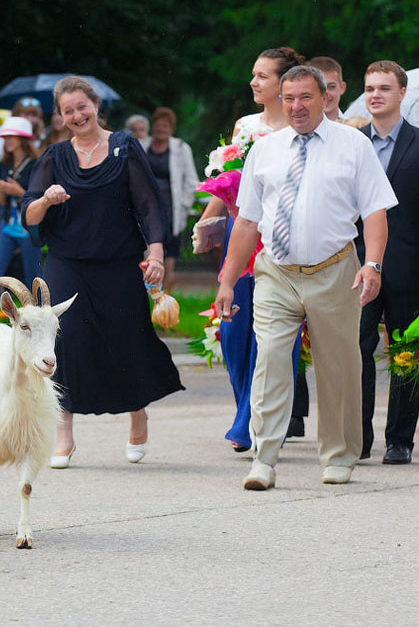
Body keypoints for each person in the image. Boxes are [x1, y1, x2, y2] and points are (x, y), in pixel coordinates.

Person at [216, 65, 396, 490]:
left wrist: (373, 264)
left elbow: (375, 211)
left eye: (305, 98)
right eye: (289, 98)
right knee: (271, 361)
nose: (296, 107)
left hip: (335, 270)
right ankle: (264, 458)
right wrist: (227, 279)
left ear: (324, 98)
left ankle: (338, 455)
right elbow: (245, 223)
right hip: (276, 272)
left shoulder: (353, 145)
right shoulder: (265, 149)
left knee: (339, 366)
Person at [21, 76, 183, 467]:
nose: (77, 115)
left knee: (127, 338)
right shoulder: (54, 157)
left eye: (82, 107)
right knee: (63, 343)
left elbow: (148, 205)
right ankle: (63, 434)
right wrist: (46, 198)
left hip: (117, 263)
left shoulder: (124, 147)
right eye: (67, 111)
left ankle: (137, 414)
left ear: (95, 105)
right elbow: (28, 215)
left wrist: (157, 254)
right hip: (66, 262)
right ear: (59, 118)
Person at [194, 46, 311, 453]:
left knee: (276, 332)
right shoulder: (245, 127)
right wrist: (209, 220)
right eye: (253, 74)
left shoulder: (301, 130)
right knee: (232, 329)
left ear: (283, 83)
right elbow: (230, 184)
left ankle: (251, 418)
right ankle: (247, 405)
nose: (253, 82)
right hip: (241, 236)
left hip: (280, 239)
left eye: (262, 76)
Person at [357, 60, 419, 464]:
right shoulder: (352, 142)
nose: (375, 94)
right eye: (369, 88)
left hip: (408, 266)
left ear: (401, 94)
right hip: (357, 268)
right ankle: (357, 438)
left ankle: (399, 440)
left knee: (405, 352)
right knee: (357, 350)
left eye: (384, 87)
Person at [0, 116, 42, 322]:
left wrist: (17, 191)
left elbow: (37, 197)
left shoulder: (36, 164)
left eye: (11, 137)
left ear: (23, 139)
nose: (7, 141)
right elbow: (1, 200)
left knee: (32, 277)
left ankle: (37, 320)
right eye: (5, 137)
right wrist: (2, 191)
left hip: (29, 229)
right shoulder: (4, 163)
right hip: (8, 226)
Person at [138, 106, 199, 292]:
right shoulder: (142, 146)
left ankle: (166, 304)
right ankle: (148, 297)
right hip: (146, 210)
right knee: (146, 255)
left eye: (165, 126)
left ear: (171, 128)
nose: (160, 130)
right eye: (158, 126)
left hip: (171, 212)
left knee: (168, 260)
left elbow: (191, 181)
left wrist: (185, 205)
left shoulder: (181, 148)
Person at [308, 55, 348, 123]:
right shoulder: (294, 130)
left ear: (342, 88)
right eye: (319, 88)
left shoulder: (355, 129)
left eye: (331, 87)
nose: (325, 94)